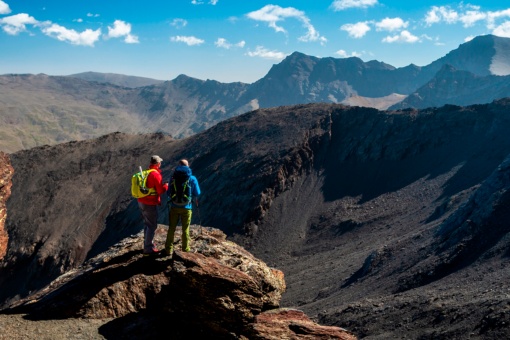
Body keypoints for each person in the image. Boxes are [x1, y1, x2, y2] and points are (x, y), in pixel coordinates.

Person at [165, 159, 201, 255]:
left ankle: (168, 249)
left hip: (174, 207)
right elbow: (197, 193)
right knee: (185, 229)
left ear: (179, 166)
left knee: (171, 228)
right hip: (187, 207)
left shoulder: (173, 178)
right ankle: (185, 249)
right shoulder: (192, 178)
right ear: (188, 166)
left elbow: (168, 193)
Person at [138, 155, 168, 255]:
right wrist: (166, 186)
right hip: (149, 202)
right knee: (152, 225)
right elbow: (160, 190)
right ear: (158, 164)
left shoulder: (146, 172)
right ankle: (148, 248)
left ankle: (147, 243)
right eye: (160, 163)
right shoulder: (155, 175)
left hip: (141, 201)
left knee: (147, 223)